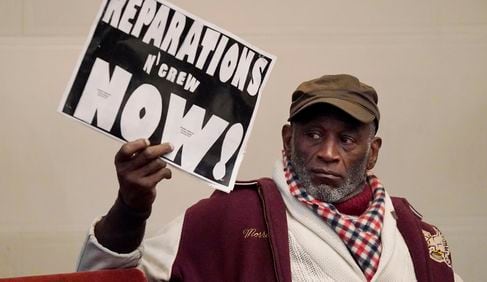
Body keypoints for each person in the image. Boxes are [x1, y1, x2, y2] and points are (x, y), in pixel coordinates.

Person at [77, 74, 462, 281]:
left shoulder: (414, 233)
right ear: (288, 138)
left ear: (372, 152)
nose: (328, 153)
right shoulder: (228, 217)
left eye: (346, 139)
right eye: (313, 134)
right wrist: (130, 208)